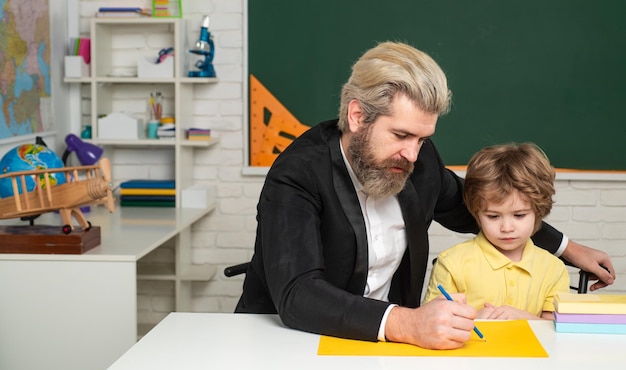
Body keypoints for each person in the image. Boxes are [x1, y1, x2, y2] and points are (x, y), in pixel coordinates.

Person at [235, 41, 615, 349]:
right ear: (357, 116)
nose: (413, 155)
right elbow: (299, 294)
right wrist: (408, 322)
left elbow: (479, 209)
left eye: (423, 139)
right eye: (401, 136)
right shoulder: (296, 174)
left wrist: (566, 248)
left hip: (381, 345)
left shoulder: (419, 160)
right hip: (286, 340)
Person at [423, 143, 570, 320]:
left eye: (519, 215)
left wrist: (522, 318)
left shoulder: (553, 269)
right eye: (493, 216)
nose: (507, 228)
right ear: (476, 212)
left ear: (538, 211)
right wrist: (475, 319)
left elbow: (554, 333)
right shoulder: (452, 263)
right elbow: (432, 323)